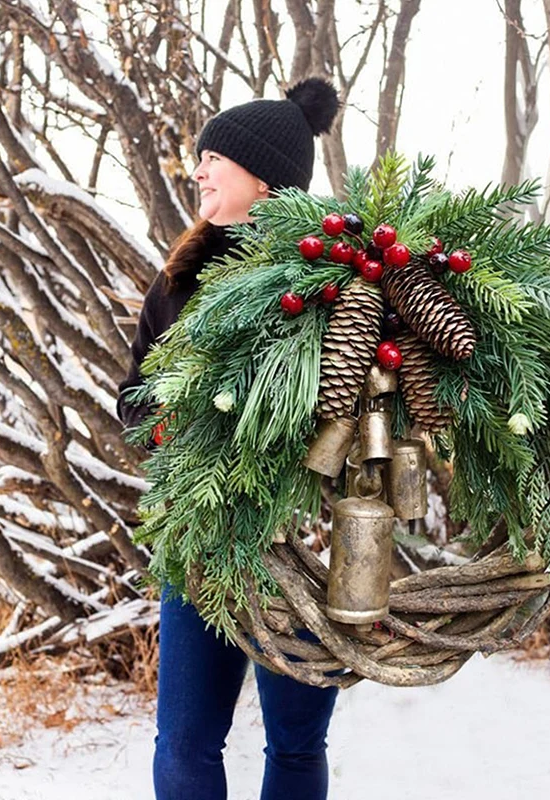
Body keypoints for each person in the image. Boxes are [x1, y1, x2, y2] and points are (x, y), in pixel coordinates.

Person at [116, 77, 341, 800]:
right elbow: (131, 398)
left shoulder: (330, 277)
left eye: (214, 156)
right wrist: (170, 416)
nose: (200, 169)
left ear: (264, 175)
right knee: (184, 742)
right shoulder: (179, 278)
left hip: (306, 544)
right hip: (200, 543)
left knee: (297, 746)